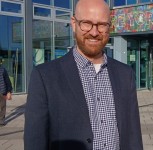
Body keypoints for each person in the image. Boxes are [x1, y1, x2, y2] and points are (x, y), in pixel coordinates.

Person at [24, 0, 143, 150]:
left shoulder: (125, 74)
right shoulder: (45, 76)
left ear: (109, 27)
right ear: (74, 23)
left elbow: (133, 136)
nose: (94, 32)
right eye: (87, 23)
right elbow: (35, 141)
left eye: (101, 24)